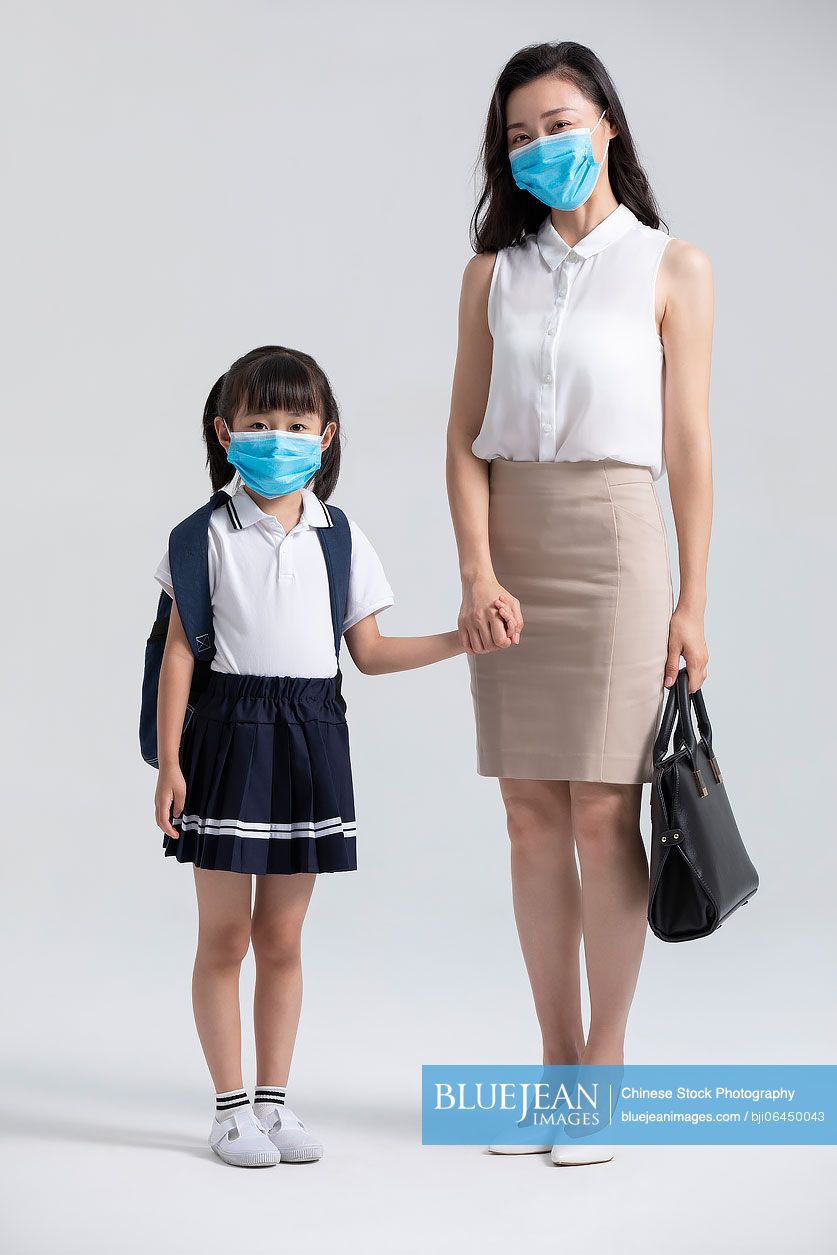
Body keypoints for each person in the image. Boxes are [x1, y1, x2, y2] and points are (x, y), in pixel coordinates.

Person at [445, 41, 713, 1165]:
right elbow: (462, 439)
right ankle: (555, 1071)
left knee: (604, 816)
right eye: (517, 136)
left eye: (558, 123)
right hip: (511, 542)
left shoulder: (671, 265)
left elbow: (689, 448)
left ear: (606, 121)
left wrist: (693, 602)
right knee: (527, 819)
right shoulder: (490, 272)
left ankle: (605, 1069)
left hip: (615, 544)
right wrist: (475, 567)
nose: (539, 148)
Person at [153, 344, 513, 1168]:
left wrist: (461, 638)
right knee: (224, 938)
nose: (276, 437)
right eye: (257, 423)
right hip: (227, 738)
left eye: (295, 423)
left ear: (325, 436)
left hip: (310, 738)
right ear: (224, 431)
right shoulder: (200, 535)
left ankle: (274, 1104)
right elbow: (179, 654)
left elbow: (371, 651)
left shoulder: (339, 538)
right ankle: (228, 1110)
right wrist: (171, 764)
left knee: (281, 937)